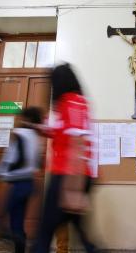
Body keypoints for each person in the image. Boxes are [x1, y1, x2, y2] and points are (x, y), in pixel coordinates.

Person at [31, 63, 97, 253]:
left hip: (68, 175)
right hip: (76, 175)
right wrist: (44, 130)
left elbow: (77, 144)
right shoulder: (73, 102)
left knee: (45, 230)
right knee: (76, 226)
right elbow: (66, 134)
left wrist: (73, 188)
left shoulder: (71, 101)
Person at [0, 107, 43, 253]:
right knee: (18, 221)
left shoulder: (18, 134)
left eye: (21, 117)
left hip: (18, 183)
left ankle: (16, 239)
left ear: (27, 119)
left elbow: (10, 156)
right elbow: (37, 162)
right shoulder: (37, 137)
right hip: (29, 182)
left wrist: (0, 172)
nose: (18, 119)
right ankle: (20, 248)